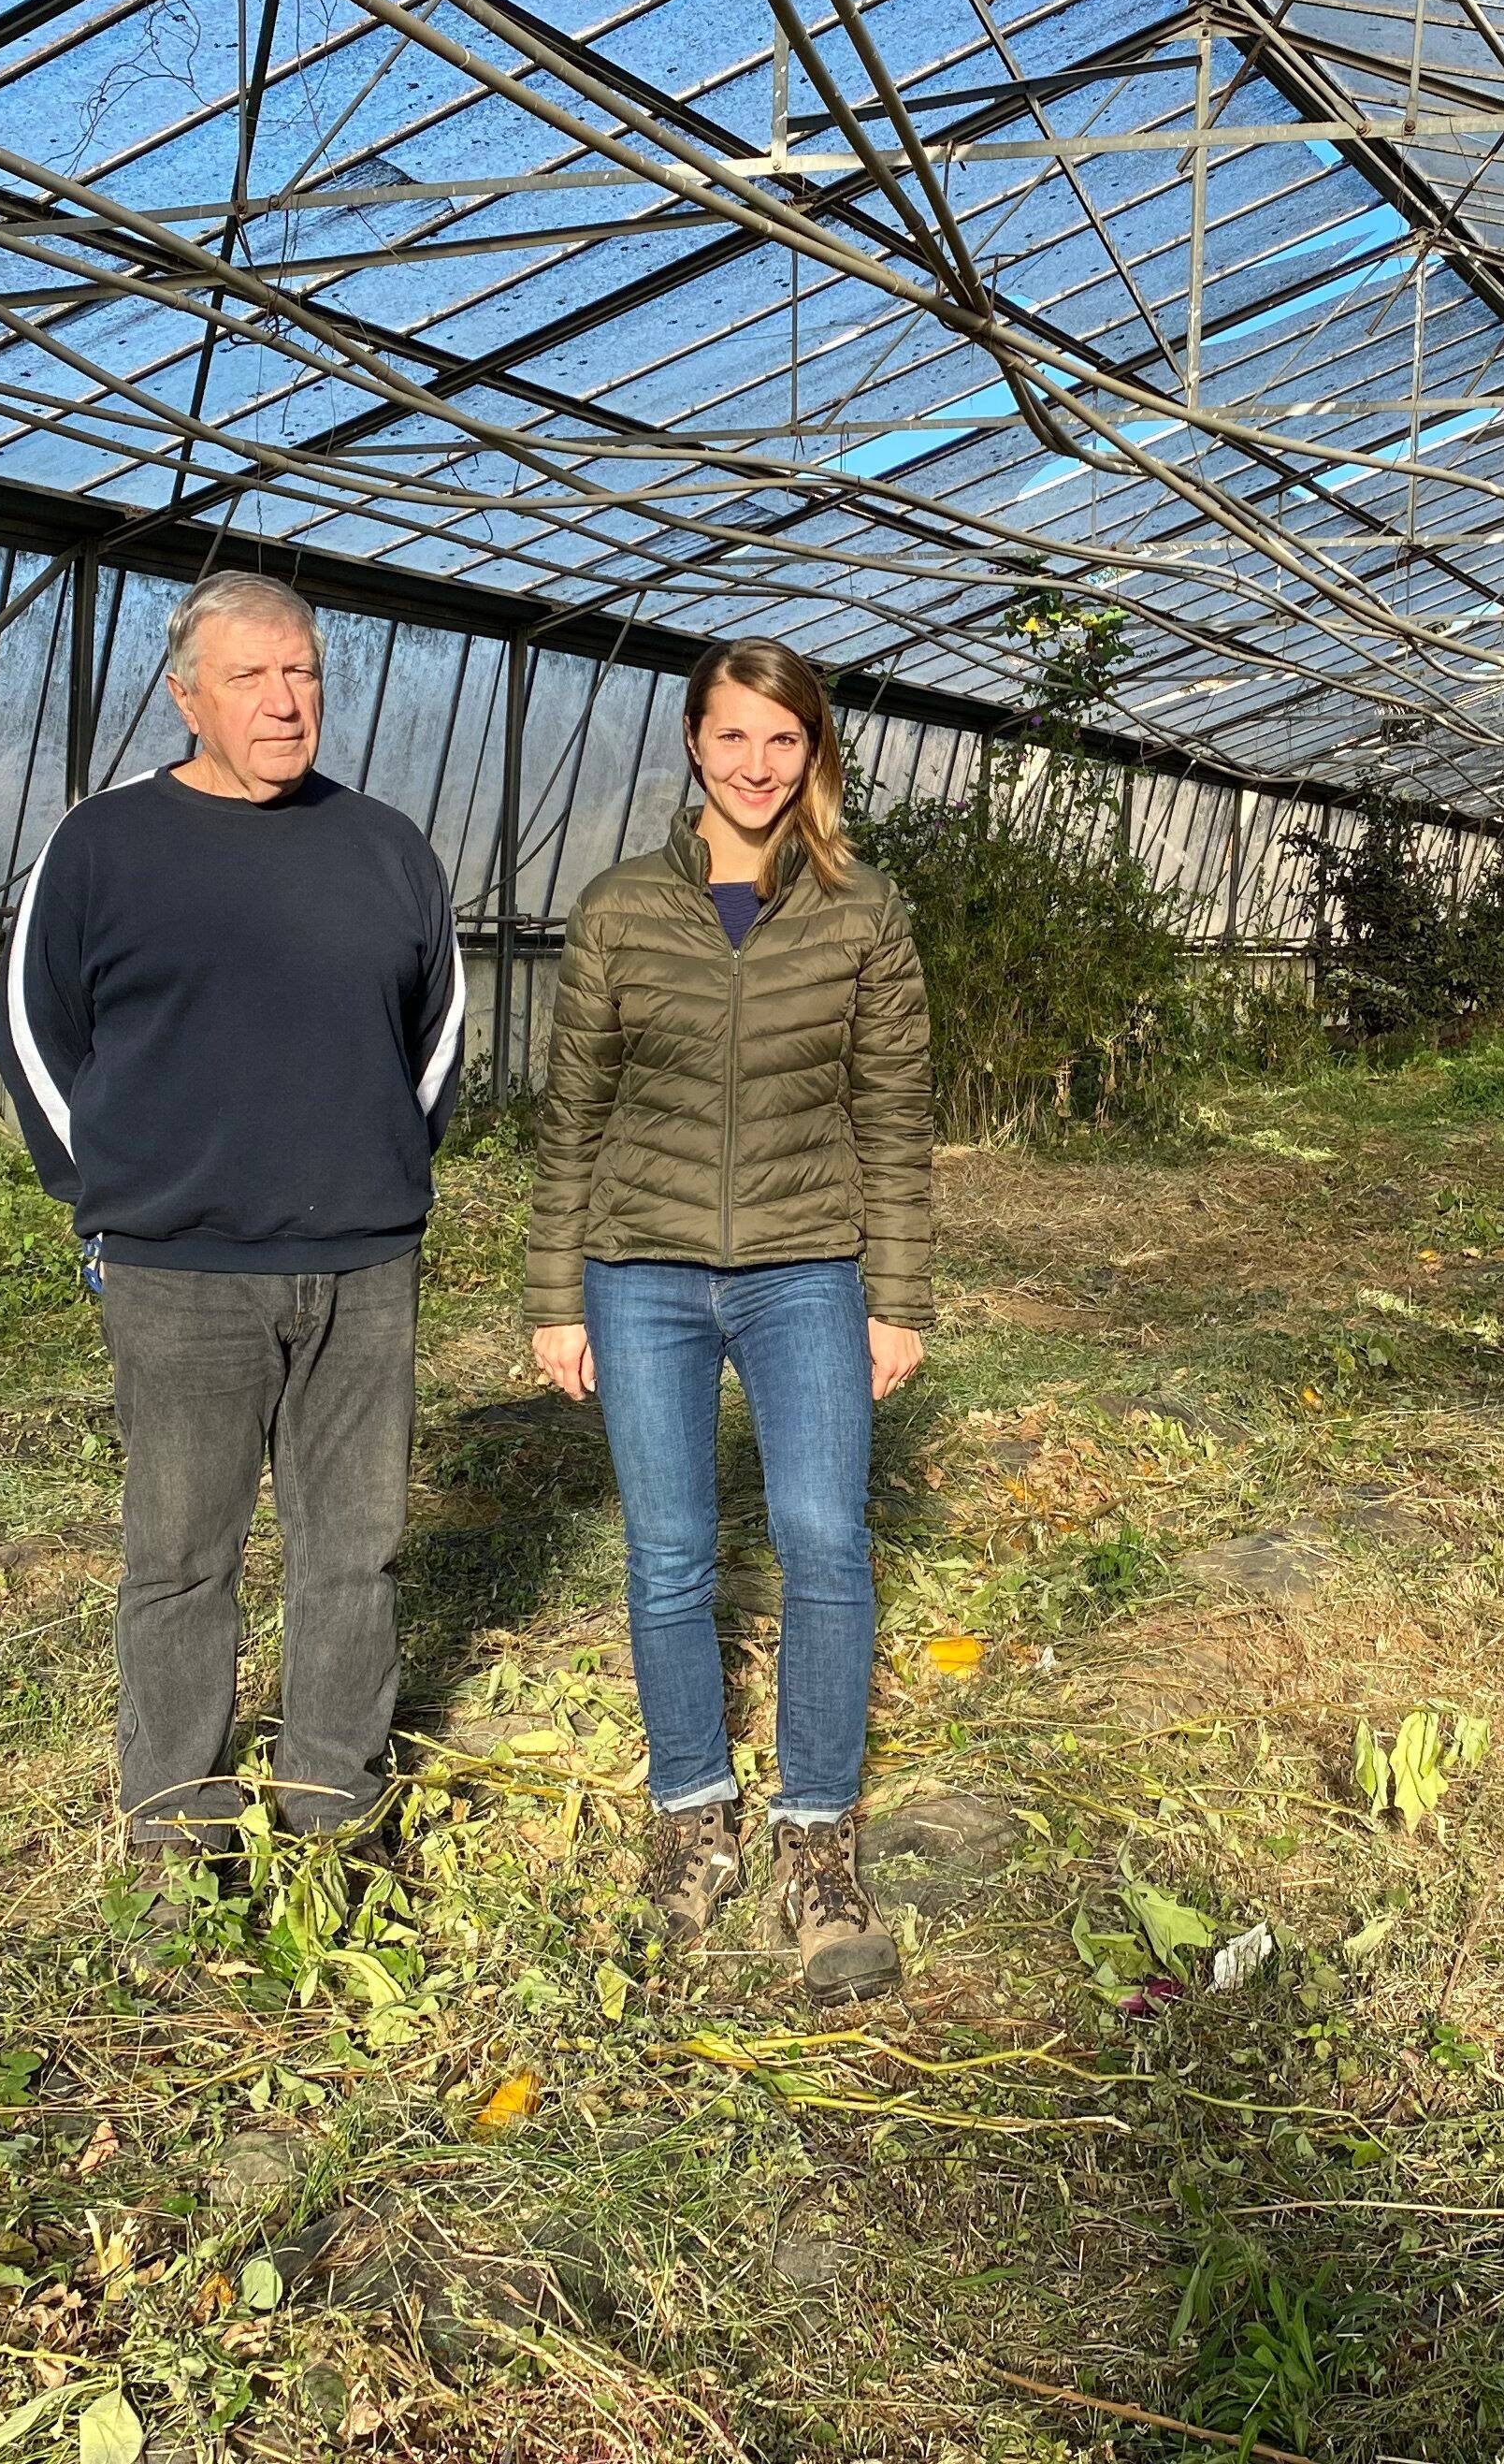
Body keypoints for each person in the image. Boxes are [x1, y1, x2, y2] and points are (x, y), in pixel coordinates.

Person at [0, 572, 466, 1915]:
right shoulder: (105, 845)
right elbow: (36, 1035)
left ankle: (336, 1804)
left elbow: (435, 1040)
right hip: (179, 1269)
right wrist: (124, 1191)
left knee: (352, 1550)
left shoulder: (385, 847)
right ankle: (175, 1827)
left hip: (364, 1268)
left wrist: (375, 1173)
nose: (285, 699)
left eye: (304, 672)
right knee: (183, 1554)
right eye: (254, 676)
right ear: (184, 692)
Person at [526, 640, 933, 1999]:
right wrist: (554, 1296)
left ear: (813, 753)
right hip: (639, 1274)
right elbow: (571, 1116)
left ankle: (815, 1834)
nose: (756, 766)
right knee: (669, 1554)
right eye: (732, 738)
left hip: (805, 1268)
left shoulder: (861, 913)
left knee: (824, 1542)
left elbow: (893, 1119)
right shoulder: (619, 912)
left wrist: (900, 1297)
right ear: (692, 745)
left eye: (783, 742)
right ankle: (691, 1816)